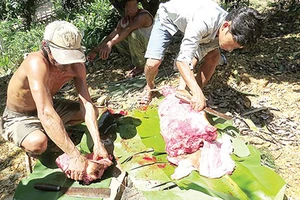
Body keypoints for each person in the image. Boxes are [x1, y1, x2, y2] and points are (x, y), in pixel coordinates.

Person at [0, 20, 112, 181]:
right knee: (38, 143)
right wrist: (74, 155)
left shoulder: (77, 66)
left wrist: (98, 142)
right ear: (45, 46)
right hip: (20, 116)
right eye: (60, 58)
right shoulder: (36, 63)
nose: (65, 65)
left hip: (49, 105)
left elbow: (86, 104)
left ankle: (52, 131)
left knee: (92, 111)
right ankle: (36, 135)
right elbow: (45, 113)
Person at [140, 0, 263, 111]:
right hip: (167, 18)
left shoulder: (226, 29)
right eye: (232, 45)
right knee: (153, 63)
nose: (230, 50)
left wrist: (189, 89)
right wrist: (196, 92)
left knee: (214, 57)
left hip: (196, 26)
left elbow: (196, 55)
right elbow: (182, 61)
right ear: (226, 26)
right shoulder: (204, 21)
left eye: (235, 48)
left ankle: (192, 92)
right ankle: (149, 86)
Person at [87, 0, 153, 78]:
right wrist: (95, 51)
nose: (133, 9)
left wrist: (110, 43)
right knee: (117, 40)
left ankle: (141, 66)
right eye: (129, 6)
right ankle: (137, 62)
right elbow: (110, 37)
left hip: (151, 48)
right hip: (142, 49)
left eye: (134, 5)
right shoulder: (123, 22)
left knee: (133, 34)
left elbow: (128, 29)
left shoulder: (143, 16)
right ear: (125, 8)